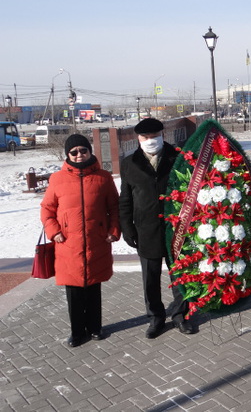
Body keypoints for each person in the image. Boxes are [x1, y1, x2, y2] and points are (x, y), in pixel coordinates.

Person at [40, 134, 120, 347]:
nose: (79, 155)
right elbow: (47, 209)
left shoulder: (104, 177)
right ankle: (77, 332)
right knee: (74, 290)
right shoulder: (57, 179)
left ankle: (95, 328)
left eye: (83, 150)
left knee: (93, 286)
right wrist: (54, 231)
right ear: (67, 154)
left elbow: (114, 207)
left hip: (96, 240)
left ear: (89, 151)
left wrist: (113, 230)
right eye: (73, 152)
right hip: (68, 243)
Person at [119, 118, 193, 338]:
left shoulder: (178, 157)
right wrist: (127, 228)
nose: (151, 140)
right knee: (150, 280)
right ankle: (155, 318)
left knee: (179, 275)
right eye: (146, 137)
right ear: (138, 138)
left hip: (175, 229)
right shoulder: (130, 163)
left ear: (162, 135)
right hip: (145, 229)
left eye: (155, 136)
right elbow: (125, 199)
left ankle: (181, 315)